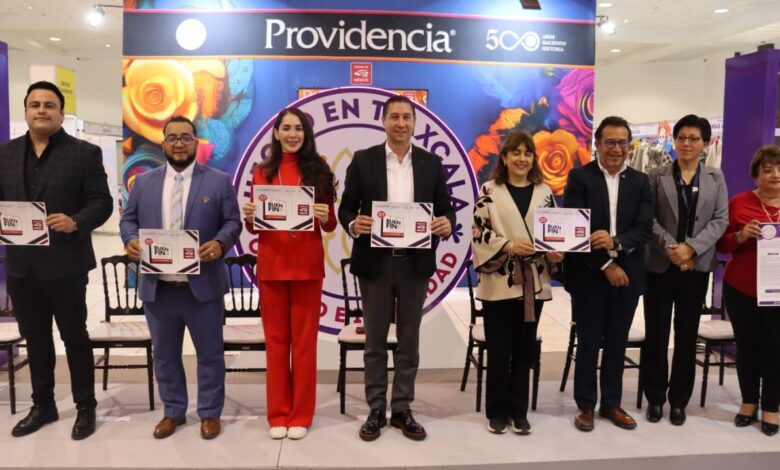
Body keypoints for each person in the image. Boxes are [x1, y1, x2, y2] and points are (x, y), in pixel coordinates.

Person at [339, 95, 455, 441]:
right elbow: (346, 208)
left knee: (409, 340)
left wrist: (446, 223)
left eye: (407, 117)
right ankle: (376, 409)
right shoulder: (363, 160)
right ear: (384, 121)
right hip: (375, 263)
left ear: (415, 123)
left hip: (414, 264)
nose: (401, 123)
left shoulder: (432, 163)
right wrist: (353, 224)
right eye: (394, 117)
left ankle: (402, 408)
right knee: (374, 341)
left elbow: (446, 209)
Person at [0, 81, 112, 440]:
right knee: (35, 338)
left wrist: (76, 221)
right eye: (35, 104)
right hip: (21, 266)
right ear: (25, 111)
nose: (42, 110)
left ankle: (85, 407)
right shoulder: (5, 153)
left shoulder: (85, 153)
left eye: (49, 105)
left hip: (67, 265)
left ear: (61, 113)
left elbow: (102, 202)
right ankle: (43, 405)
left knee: (74, 337)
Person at [120, 115, 242, 440]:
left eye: (185, 137)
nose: (178, 143)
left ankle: (210, 412)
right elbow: (128, 221)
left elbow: (232, 222)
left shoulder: (218, 181)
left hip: (202, 288)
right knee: (164, 355)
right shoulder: (144, 183)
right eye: (172, 137)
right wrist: (130, 239)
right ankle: (173, 410)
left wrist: (220, 244)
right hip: (159, 288)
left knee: (210, 355)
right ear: (163, 143)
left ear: (195, 142)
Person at [241, 108, 337, 440]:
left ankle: (301, 414)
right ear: (277, 133)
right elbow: (255, 226)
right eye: (286, 128)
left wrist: (324, 215)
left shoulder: (319, 170)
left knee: (305, 345)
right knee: (277, 344)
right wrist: (250, 216)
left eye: (298, 128)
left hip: (307, 266)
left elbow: (331, 223)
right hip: (272, 265)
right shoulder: (262, 172)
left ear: (306, 134)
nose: (292, 134)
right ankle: (278, 413)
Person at [563, 116, 653, 432]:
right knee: (589, 342)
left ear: (630, 146)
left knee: (617, 342)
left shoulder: (640, 181)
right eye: (610, 142)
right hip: (589, 274)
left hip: (628, 275)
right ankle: (586, 405)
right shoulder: (580, 177)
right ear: (598, 144)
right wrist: (606, 265)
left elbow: (644, 228)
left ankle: (612, 404)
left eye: (622, 143)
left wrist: (616, 242)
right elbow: (575, 229)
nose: (616, 149)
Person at [471, 131, 563, 435]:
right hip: (499, 281)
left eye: (527, 153)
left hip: (533, 282)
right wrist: (509, 245)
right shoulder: (489, 190)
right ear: (505, 157)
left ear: (533, 158)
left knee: (524, 350)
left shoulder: (545, 192)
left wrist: (556, 251)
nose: (522, 158)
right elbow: (479, 232)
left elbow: (555, 231)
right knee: (499, 351)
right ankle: (497, 412)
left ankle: (519, 411)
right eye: (516, 152)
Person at [641, 115, 728, 425]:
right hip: (660, 265)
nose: (687, 144)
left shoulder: (716, 177)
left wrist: (691, 249)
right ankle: (655, 398)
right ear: (674, 141)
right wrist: (672, 248)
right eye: (681, 138)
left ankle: (679, 400)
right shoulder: (656, 175)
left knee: (687, 334)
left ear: (705, 143)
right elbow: (648, 218)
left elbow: (720, 219)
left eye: (694, 138)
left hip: (695, 266)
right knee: (657, 333)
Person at [716, 144, 780, 437]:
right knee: (747, 347)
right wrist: (741, 235)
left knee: (775, 349)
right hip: (742, 287)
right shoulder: (739, 202)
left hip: (777, 292)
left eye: (779, 170)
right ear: (756, 175)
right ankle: (748, 401)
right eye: (768, 170)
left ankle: (771, 407)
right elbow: (722, 245)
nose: (775, 175)